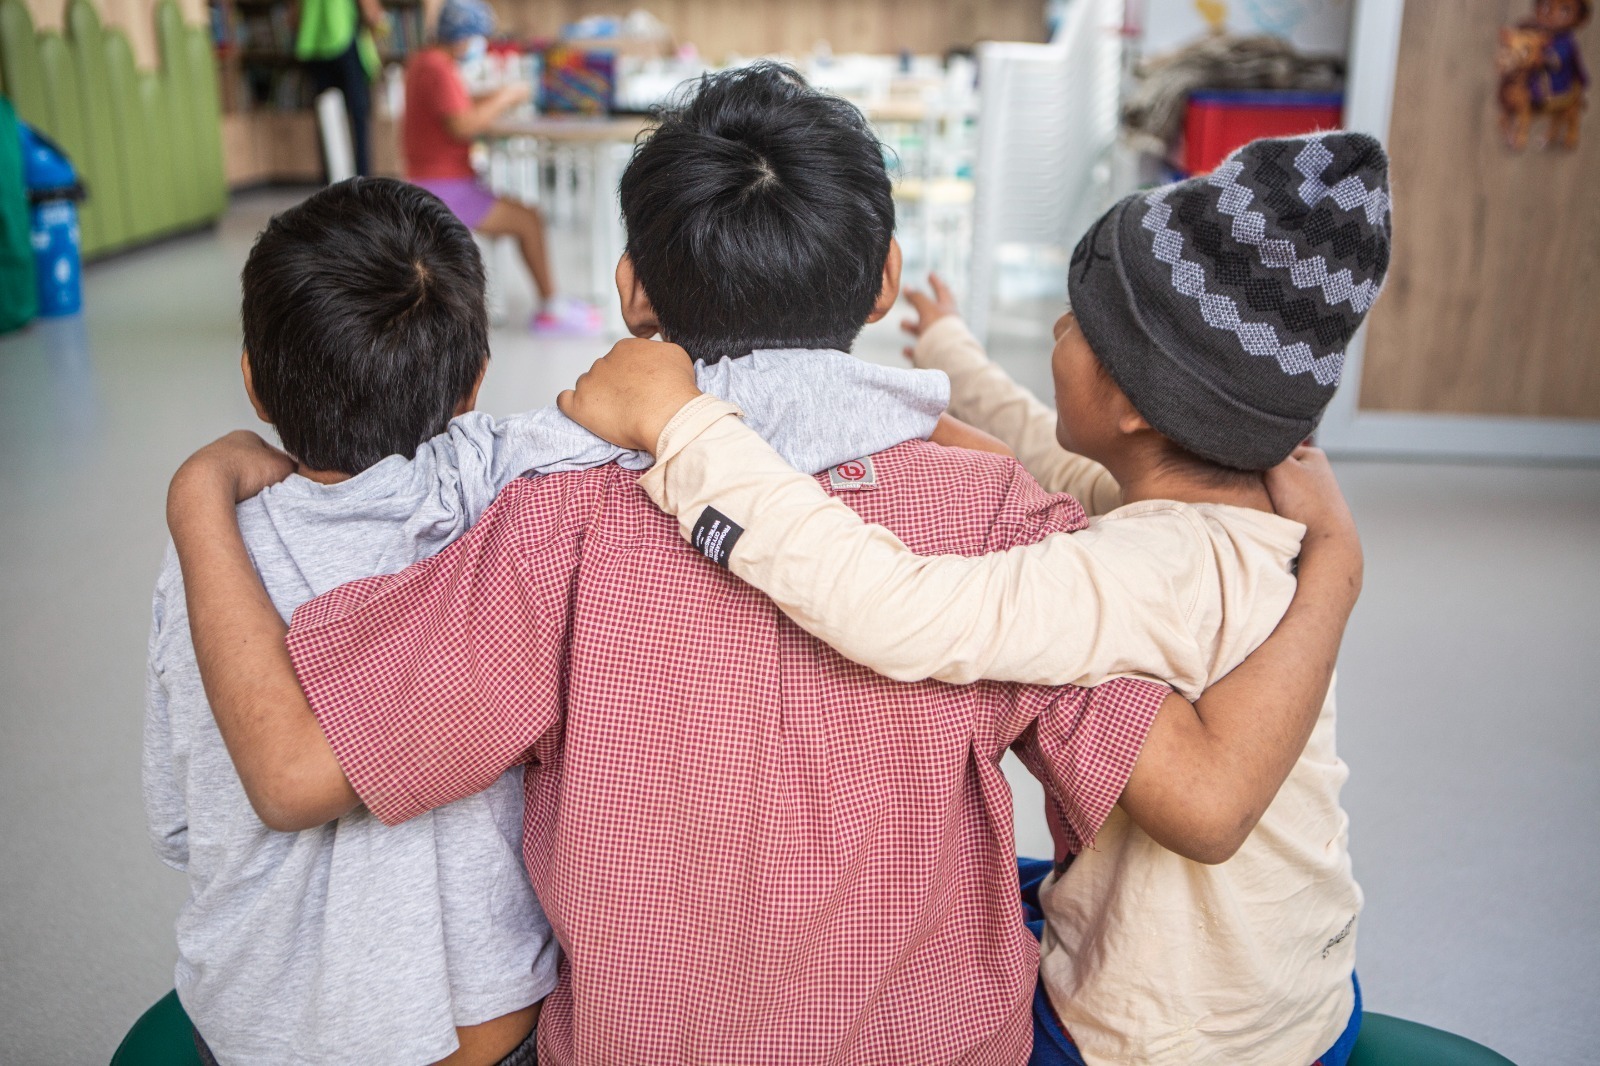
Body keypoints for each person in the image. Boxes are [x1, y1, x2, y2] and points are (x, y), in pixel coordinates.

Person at [164, 67, 1361, 1063]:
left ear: (633, 294)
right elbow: (1188, 790)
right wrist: (1330, 572)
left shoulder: (558, 521)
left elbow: (299, 770)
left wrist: (201, 500)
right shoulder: (1008, 521)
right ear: (885, 280)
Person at [556, 132, 1391, 1065]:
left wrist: (685, 432)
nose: (1055, 336)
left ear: (1133, 403)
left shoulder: (1135, 570)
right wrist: (943, 359)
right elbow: (1047, 446)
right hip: (1301, 976)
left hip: (1169, 1026)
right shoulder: (1228, 508)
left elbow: (894, 604)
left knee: (943, 953)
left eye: (1075, 326)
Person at [143, 175, 947, 1064]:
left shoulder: (207, 568)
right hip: (486, 1038)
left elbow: (182, 825)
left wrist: (197, 497)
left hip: (254, 1034)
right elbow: (758, 408)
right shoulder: (516, 484)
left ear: (254, 382)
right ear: (475, 381)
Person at [403, 0, 600, 334]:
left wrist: (495, 95)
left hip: (429, 179)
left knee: (525, 215)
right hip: (444, 189)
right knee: (529, 219)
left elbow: (457, 105)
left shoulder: (424, 61)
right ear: (464, 35)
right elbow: (463, 125)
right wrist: (506, 97)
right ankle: (551, 307)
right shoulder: (438, 67)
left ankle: (550, 302)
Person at [297, 0, 382, 177]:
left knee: (325, 114)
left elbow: (292, 14)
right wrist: (375, 18)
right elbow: (370, 13)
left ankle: (330, 179)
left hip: (314, 40)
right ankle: (362, 178)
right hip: (342, 36)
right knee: (358, 114)